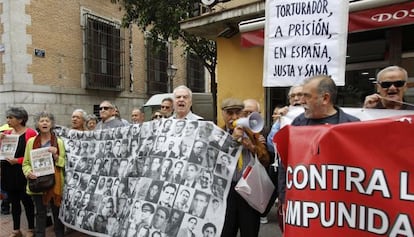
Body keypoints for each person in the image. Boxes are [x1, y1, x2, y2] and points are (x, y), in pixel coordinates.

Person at [277, 75, 360, 231]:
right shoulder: (298, 124)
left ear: (325, 98)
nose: (301, 101)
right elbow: (285, 164)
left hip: (340, 209)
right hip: (306, 207)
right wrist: (284, 198)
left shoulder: (353, 126)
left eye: (306, 96)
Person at [219, 98, 270, 237]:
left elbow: (266, 160)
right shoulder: (218, 134)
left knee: (250, 230)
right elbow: (214, 159)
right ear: (223, 114)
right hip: (227, 192)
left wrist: (252, 147)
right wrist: (232, 141)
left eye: (238, 113)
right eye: (230, 113)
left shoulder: (254, 134)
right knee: (226, 231)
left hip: (249, 191)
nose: (234, 117)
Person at [22, 111, 66, 237]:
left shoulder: (59, 142)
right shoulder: (31, 142)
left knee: (57, 213)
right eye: (41, 121)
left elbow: (64, 163)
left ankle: (59, 234)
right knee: (40, 213)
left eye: (47, 120)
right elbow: (25, 163)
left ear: (51, 124)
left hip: (55, 184)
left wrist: (56, 156)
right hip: (37, 183)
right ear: (37, 124)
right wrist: (28, 172)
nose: (44, 123)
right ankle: (40, 234)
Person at [1, 107, 36, 237]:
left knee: (27, 201)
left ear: (20, 119)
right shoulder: (7, 133)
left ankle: (31, 229)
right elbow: (2, 153)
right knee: (13, 201)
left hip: (22, 172)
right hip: (8, 172)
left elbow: (33, 155)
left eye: (11, 117)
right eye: (7, 117)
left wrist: (18, 161)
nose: (8, 120)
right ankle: (16, 230)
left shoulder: (30, 133)